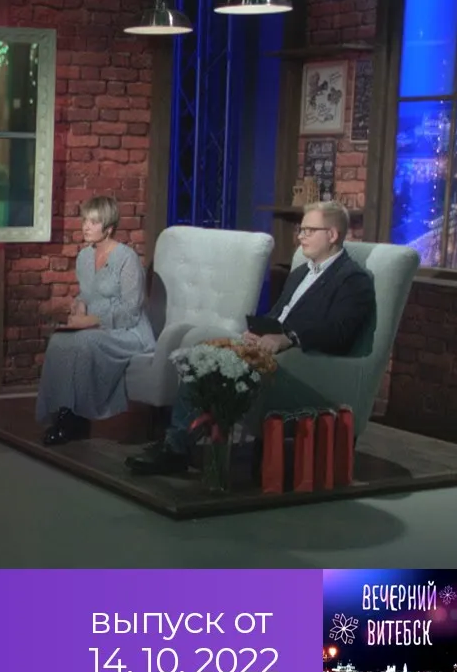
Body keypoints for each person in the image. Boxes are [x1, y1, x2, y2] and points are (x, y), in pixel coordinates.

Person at [127, 200, 375, 475]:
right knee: (202, 356)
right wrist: (257, 333)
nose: (300, 237)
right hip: (269, 350)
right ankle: (176, 445)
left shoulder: (352, 279)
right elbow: (278, 315)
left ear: (332, 234)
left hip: (302, 365)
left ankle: (177, 448)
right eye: (300, 230)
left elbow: (339, 331)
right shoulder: (301, 273)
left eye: (309, 231)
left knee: (215, 365)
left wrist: (289, 338)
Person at [36, 195, 155, 445]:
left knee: (83, 343)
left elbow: (130, 311)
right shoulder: (84, 257)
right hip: (94, 326)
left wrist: (90, 320)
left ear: (108, 227)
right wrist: (79, 306)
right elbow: (86, 294)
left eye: (93, 222)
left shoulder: (127, 259)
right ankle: (63, 412)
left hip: (128, 330)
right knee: (58, 342)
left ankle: (74, 417)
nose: (86, 227)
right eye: (85, 221)